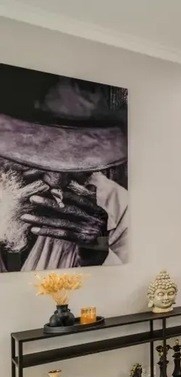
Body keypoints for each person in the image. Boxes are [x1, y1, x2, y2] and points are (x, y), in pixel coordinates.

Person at [0, 66, 128, 272]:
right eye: (36, 159)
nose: (56, 182)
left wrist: (97, 253)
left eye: (78, 164)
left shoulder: (116, 203)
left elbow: (126, 279)